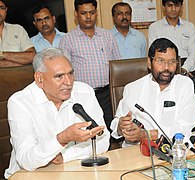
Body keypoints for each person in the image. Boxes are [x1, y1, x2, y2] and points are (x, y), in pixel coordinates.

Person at [4, 48, 110, 179]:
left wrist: (66, 156)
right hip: (29, 175)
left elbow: (103, 140)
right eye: (59, 76)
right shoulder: (20, 102)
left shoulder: (84, 91)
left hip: (74, 170)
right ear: (39, 78)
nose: (69, 82)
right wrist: (62, 139)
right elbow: (26, 160)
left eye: (70, 74)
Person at [110, 38, 195, 147]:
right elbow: (115, 125)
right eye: (160, 61)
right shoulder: (132, 88)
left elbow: (185, 127)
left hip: (172, 148)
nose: (167, 67)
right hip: (136, 151)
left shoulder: (184, 85)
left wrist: (146, 134)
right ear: (149, 62)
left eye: (172, 62)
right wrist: (121, 126)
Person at [59, 0, 121, 133]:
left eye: (91, 13)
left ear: (96, 13)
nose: (88, 17)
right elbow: (65, 71)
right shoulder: (67, 39)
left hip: (106, 94)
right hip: (82, 95)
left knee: (109, 130)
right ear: (76, 14)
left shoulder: (107, 36)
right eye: (83, 13)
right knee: (88, 131)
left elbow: (117, 65)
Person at [148, 0, 195, 76]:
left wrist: (184, 69)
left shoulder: (190, 27)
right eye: (170, 5)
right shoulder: (155, 28)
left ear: (181, 7)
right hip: (164, 71)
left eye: (176, 5)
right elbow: (153, 54)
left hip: (187, 71)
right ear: (163, 7)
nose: (173, 9)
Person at [0, 0, 36, 67]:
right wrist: (18, 63)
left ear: (6, 10)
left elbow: (32, 56)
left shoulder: (18, 30)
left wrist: (2, 54)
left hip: (18, 77)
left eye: (1, 8)